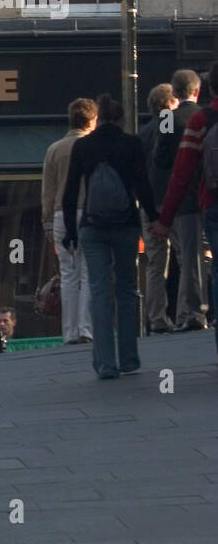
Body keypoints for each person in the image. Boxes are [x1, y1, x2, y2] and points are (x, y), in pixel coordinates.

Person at [62, 94, 158, 379]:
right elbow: (143, 185)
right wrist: (154, 219)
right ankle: (129, 358)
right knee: (127, 290)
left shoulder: (83, 146)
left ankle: (105, 363)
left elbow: (69, 193)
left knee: (100, 293)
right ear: (120, 119)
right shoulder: (131, 144)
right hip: (126, 226)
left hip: (92, 227)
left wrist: (71, 231)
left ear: (99, 118)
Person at [151, 59, 218, 351]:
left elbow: (164, 159)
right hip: (202, 194)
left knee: (184, 259)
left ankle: (185, 313)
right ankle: (197, 311)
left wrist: (164, 214)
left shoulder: (174, 119)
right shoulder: (199, 116)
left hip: (194, 201)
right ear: (198, 89)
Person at [42, 97, 98, 344]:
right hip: (89, 212)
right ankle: (86, 329)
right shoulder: (93, 146)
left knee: (68, 274)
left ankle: (69, 333)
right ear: (91, 120)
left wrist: (47, 221)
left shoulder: (55, 149)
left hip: (60, 214)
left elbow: (48, 189)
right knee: (88, 273)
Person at [138, 83, 180, 334]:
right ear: (171, 103)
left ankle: (157, 317)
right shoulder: (170, 125)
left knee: (155, 262)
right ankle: (188, 311)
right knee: (186, 256)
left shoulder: (143, 133)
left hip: (149, 204)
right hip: (174, 201)